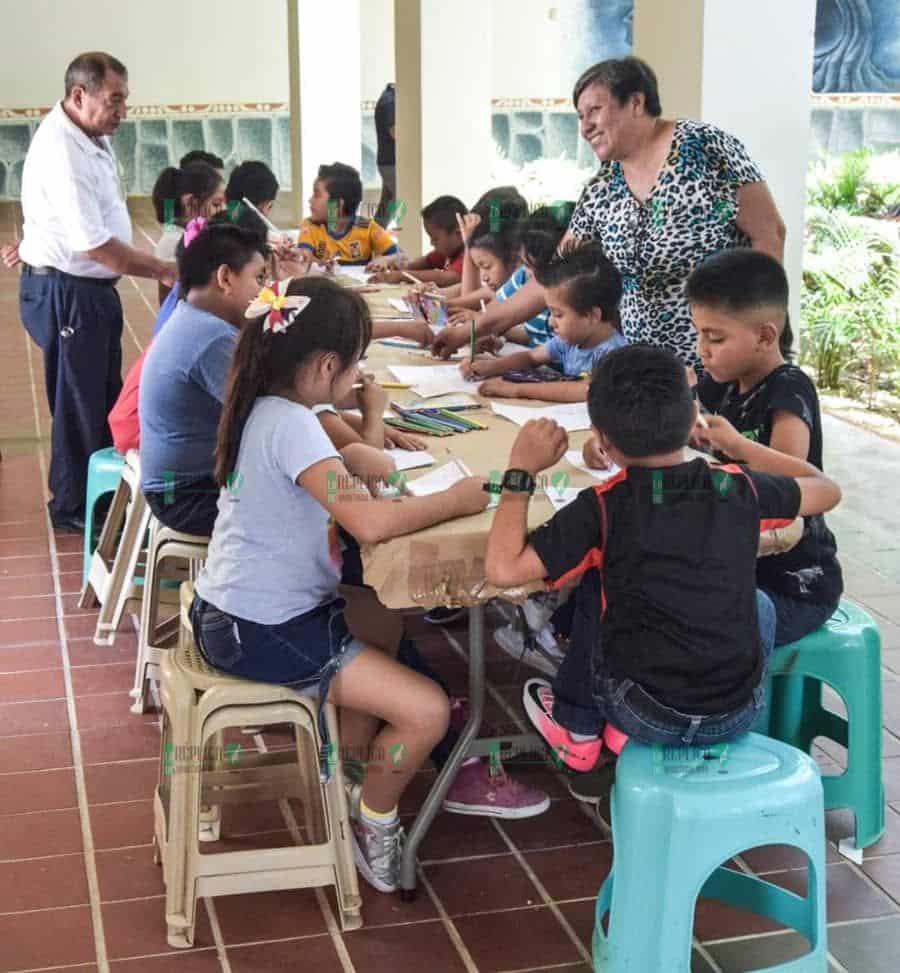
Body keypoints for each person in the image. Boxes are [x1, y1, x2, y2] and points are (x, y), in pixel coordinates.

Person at [190, 275, 491, 891]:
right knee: (425, 709)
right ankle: (373, 819)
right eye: (354, 367)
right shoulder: (293, 424)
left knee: (380, 626)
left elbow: (357, 470)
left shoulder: (269, 406)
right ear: (327, 364)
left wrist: (371, 447)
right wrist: (457, 499)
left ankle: (350, 780)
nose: (357, 380)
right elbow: (373, 521)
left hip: (235, 610)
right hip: (257, 628)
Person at [483, 345, 840, 800]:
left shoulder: (601, 508)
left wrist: (520, 471)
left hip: (641, 709)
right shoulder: (736, 484)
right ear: (694, 414)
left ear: (602, 441)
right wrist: (739, 446)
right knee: (757, 604)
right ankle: (627, 733)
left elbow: (502, 568)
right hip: (735, 711)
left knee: (599, 582)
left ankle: (582, 730)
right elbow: (825, 489)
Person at [432, 56, 786, 367]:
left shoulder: (705, 148)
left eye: (594, 111)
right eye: (580, 116)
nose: (584, 127)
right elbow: (553, 278)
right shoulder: (604, 187)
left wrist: (758, 341)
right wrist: (473, 332)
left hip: (719, 364)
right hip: (641, 366)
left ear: (635, 102)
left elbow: (769, 234)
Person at [14, 52, 176, 531]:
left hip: (87, 290)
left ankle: (99, 499)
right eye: (115, 100)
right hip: (68, 291)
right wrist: (161, 269)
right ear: (79, 95)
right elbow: (93, 245)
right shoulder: (62, 149)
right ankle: (74, 507)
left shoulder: (88, 135)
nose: (123, 110)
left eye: (125, 99)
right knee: (79, 401)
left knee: (100, 393)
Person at [688, 249, 843, 646]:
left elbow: (792, 475)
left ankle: (732, 709)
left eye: (715, 337)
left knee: (699, 634)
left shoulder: (788, 388)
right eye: (699, 333)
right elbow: (684, 421)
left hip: (792, 586)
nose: (702, 349)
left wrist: (738, 445)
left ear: (764, 335)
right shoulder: (722, 380)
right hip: (737, 562)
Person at [138, 223, 268, 536]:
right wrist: (368, 424)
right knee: (309, 507)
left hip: (184, 486)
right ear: (225, 278)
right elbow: (272, 413)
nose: (265, 293)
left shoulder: (195, 318)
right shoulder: (211, 337)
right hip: (188, 496)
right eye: (259, 278)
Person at [463, 241, 627, 403]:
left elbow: (584, 390)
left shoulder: (614, 354)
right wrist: (493, 367)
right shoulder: (570, 341)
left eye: (558, 314)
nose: (551, 322)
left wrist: (516, 389)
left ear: (592, 316)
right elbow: (531, 357)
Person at [298, 162, 399, 266]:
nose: (310, 200)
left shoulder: (368, 229)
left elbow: (402, 257)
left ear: (336, 205)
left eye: (317, 195)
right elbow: (304, 256)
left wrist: (385, 260)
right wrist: (319, 262)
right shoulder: (310, 225)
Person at [152, 161, 226, 301]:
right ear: (191, 202)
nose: (223, 210)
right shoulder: (173, 242)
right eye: (216, 204)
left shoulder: (187, 236)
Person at [368, 195, 467, 286]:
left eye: (435, 238)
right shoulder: (447, 251)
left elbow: (448, 278)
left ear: (458, 233)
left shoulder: (468, 252)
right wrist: (401, 267)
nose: (431, 243)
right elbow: (426, 261)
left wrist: (403, 275)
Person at [374, 82, 396, 225]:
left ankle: (373, 235)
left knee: (386, 206)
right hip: (391, 163)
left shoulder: (387, 98)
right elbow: (395, 131)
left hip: (388, 162)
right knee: (404, 200)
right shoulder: (390, 101)